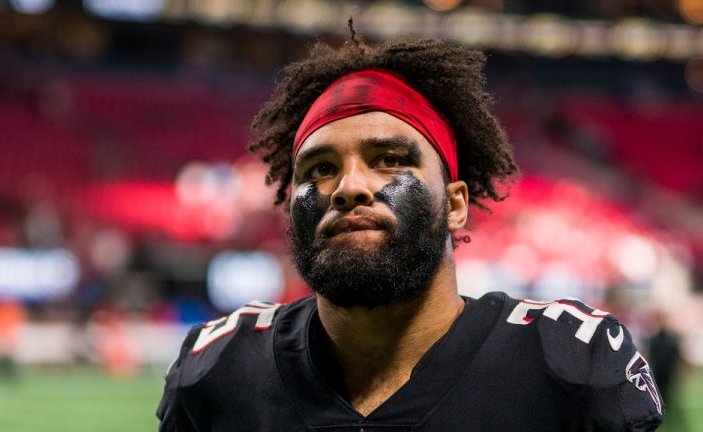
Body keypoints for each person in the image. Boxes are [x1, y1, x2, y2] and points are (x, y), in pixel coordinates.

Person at [157, 32, 665, 431]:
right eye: (318, 169)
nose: (349, 187)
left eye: (390, 160)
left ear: (456, 205)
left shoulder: (568, 368)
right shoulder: (220, 373)